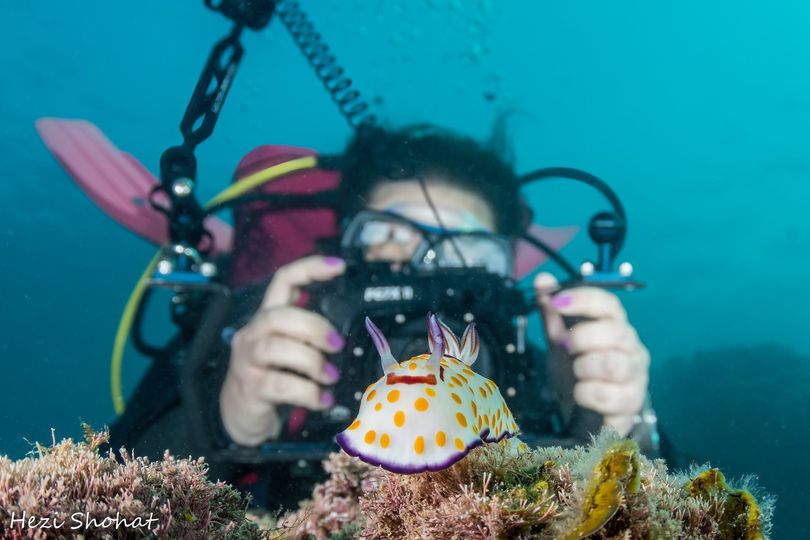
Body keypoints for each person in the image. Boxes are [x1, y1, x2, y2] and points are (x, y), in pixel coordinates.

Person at [110, 124, 655, 509]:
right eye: (391, 234)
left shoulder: (544, 380)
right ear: (344, 255)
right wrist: (221, 424)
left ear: (506, 268)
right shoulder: (254, 354)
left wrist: (623, 436)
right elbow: (98, 508)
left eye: (468, 249)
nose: (427, 266)